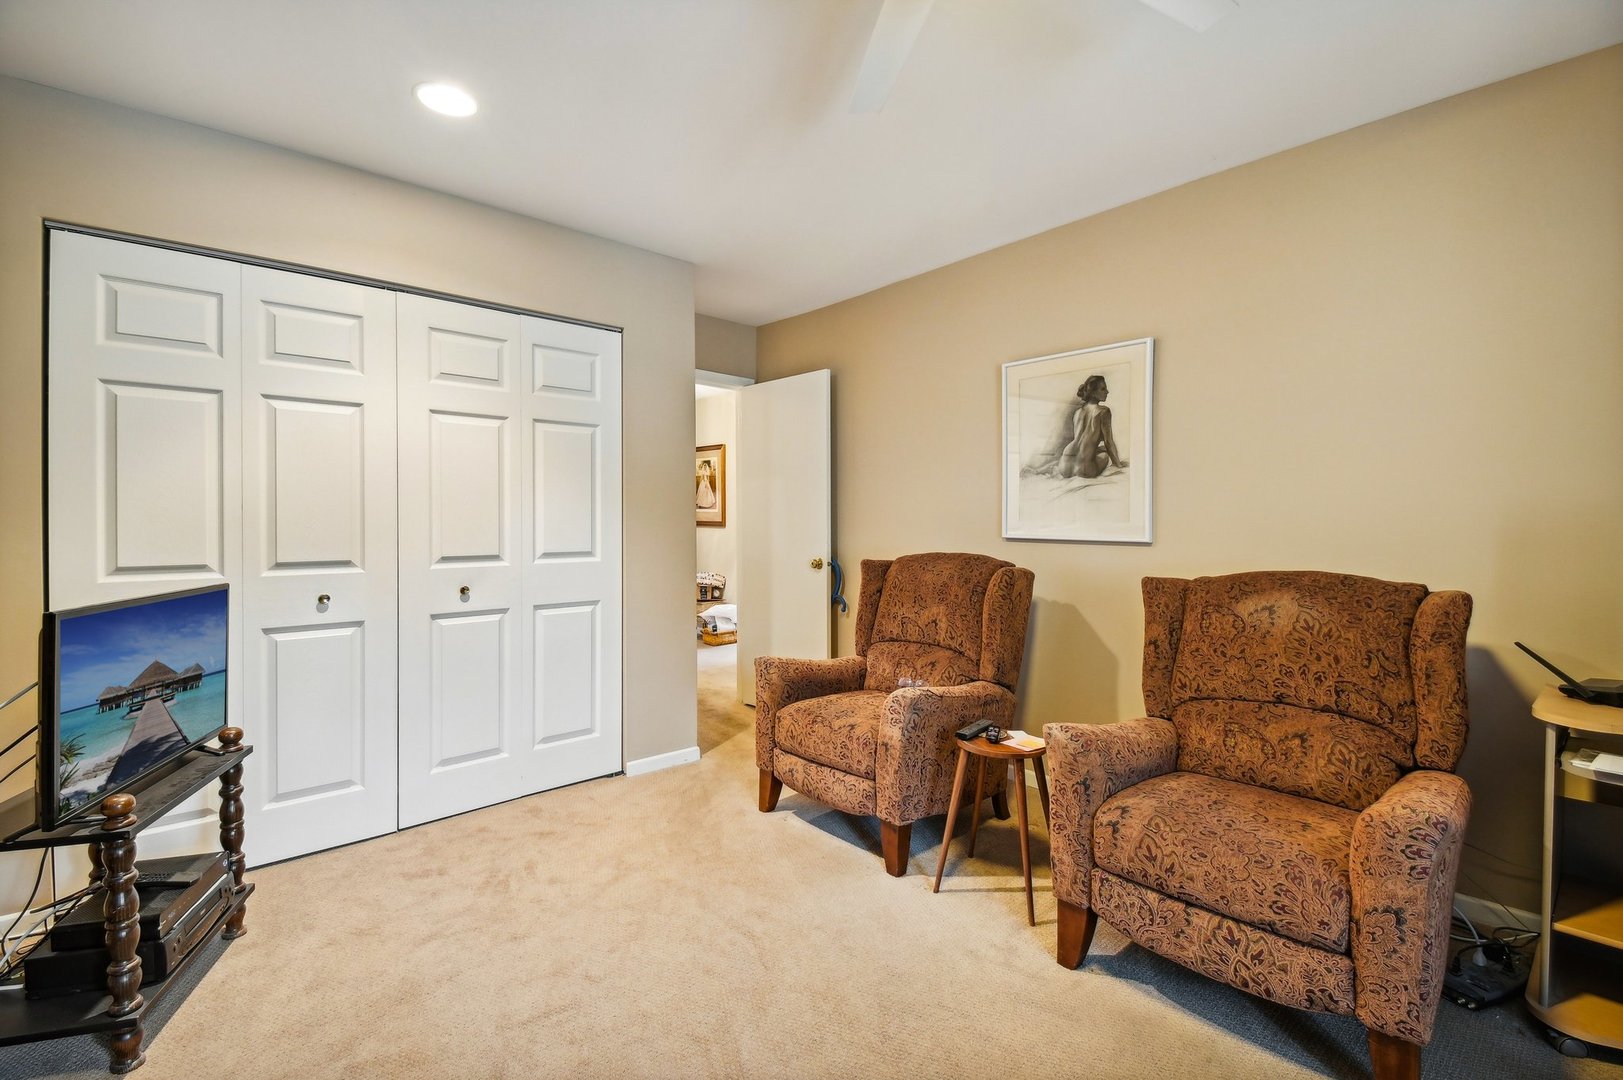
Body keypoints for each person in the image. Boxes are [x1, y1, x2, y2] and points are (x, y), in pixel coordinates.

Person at [1058, 374, 1126, 479]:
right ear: (1093, 393)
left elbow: (1082, 442)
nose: (1107, 392)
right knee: (1105, 454)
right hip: (1085, 469)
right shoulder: (1104, 411)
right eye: (1103, 389)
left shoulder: (1078, 412)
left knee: (1098, 449)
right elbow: (1108, 442)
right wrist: (1119, 464)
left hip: (1064, 466)